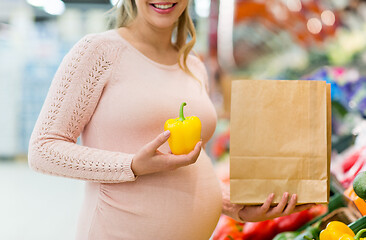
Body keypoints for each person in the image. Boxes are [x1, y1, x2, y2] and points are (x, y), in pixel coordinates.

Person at [28, 0, 314, 239]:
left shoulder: (192, 64)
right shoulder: (98, 51)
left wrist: (229, 202)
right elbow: (42, 149)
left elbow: (188, 161)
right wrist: (131, 165)